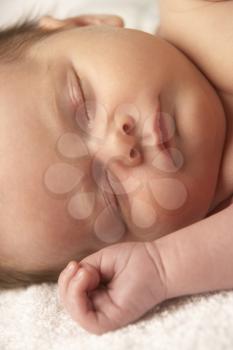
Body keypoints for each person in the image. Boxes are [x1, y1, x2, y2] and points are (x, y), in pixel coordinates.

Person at [0, 0, 232, 334]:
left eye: (84, 109)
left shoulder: (194, 9)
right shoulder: (218, 221)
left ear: (84, 23)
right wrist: (161, 267)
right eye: (111, 193)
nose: (120, 148)